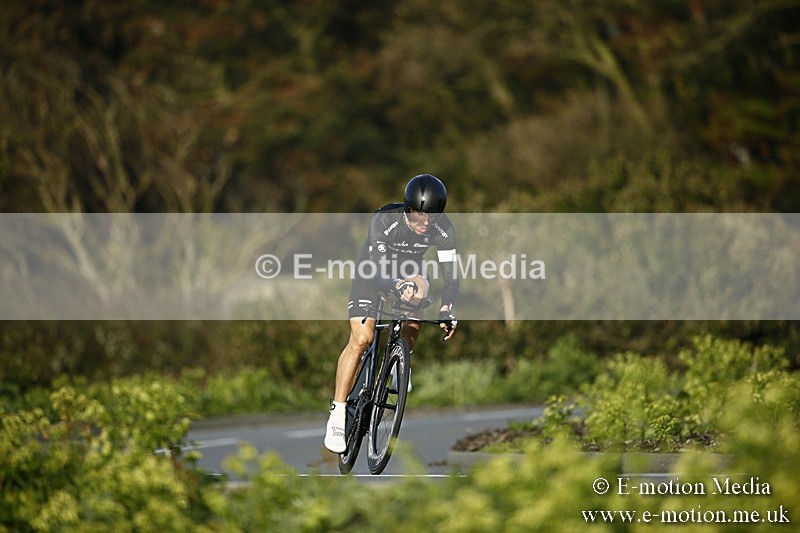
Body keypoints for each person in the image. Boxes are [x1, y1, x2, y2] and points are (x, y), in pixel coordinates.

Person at [324, 174, 459, 453]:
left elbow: (451, 277)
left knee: (421, 288)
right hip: (373, 271)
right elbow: (377, 271)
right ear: (407, 208)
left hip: (409, 271)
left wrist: (447, 309)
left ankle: (401, 358)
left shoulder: (444, 229)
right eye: (418, 217)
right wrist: (396, 285)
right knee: (362, 338)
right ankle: (338, 412)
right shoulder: (384, 220)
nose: (424, 224)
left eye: (430, 219)